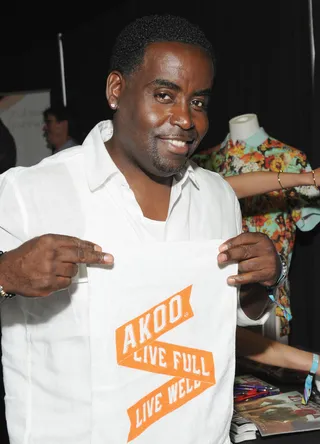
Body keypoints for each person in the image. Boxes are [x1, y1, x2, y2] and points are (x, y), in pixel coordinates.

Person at [0, 15, 283, 444]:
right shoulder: (29, 192)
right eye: (165, 95)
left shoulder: (217, 197)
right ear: (117, 90)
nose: (186, 119)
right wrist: (5, 274)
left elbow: (229, 317)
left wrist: (259, 283)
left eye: (199, 102)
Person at [193, 113, 320, 341]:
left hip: (270, 302)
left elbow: (307, 222)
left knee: (271, 372)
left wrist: (307, 178)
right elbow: (229, 188)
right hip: (210, 304)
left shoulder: (290, 158)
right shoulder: (200, 166)